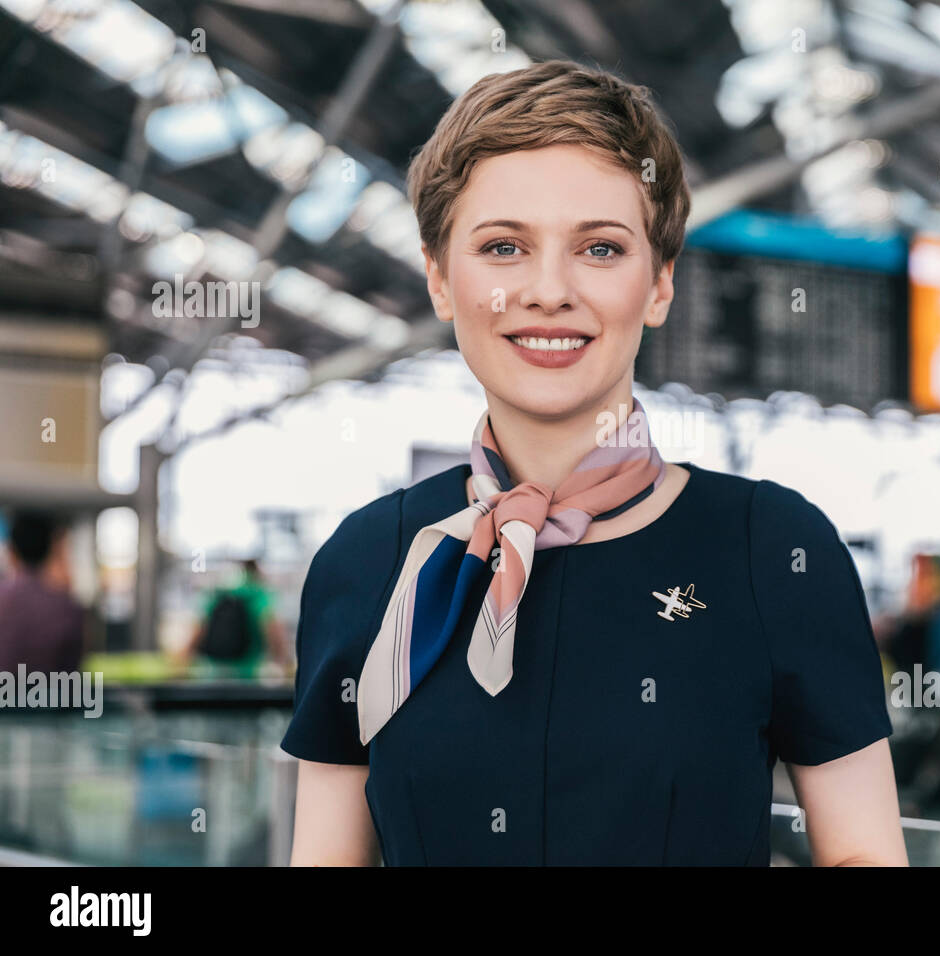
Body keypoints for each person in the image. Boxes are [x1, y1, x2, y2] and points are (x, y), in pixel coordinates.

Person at [280, 60, 906, 867]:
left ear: (658, 287)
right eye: (503, 246)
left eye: (600, 249)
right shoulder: (366, 566)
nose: (548, 290)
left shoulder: (773, 550)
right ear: (441, 280)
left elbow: (864, 855)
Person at [0, 509, 87, 675]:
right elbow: (71, 673)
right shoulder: (69, 609)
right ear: (50, 551)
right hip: (49, 699)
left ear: (11, 551)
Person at [184, 558, 290, 678]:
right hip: (248, 676)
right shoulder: (258, 595)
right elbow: (275, 633)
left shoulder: (218, 594)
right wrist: (281, 662)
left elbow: (195, 636)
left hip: (211, 675)